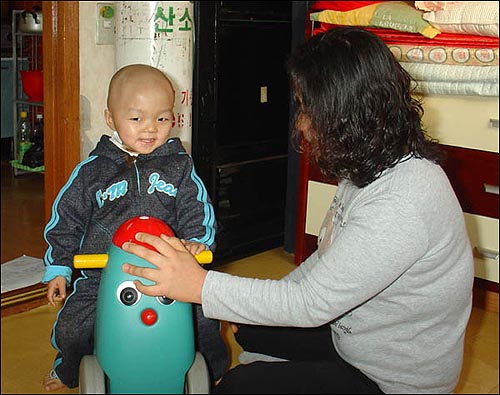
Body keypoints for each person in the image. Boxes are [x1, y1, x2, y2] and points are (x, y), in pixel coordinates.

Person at [121, 27, 474, 394]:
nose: (301, 123)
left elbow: (311, 304)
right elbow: (327, 261)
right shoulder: (371, 165)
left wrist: (199, 285)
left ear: (343, 115)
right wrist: (235, 300)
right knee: (250, 326)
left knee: (239, 386)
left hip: (392, 380)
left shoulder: (404, 200)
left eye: (306, 108)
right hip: (355, 340)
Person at [41, 64, 229, 391]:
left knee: (204, 318)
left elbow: (196, 206)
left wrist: (197, 241)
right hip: (102, 275)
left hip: (170, 270)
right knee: (73, 327)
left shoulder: (180, 165)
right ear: (111, 119)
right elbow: (66, 217)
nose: (150, 129)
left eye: (162, 118)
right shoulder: (92, 171)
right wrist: (58, 266)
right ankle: (68, 369)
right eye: (136, 118)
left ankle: (211, 368)